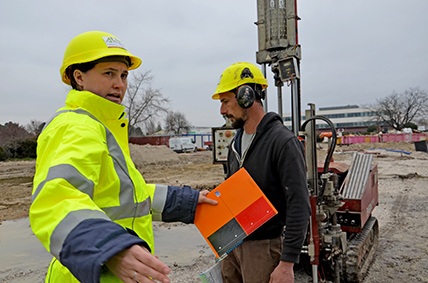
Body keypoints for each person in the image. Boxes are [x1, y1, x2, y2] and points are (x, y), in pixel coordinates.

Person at [29, 30, 217, 283]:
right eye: (109, 73)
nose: (120, 84)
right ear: (79, 77)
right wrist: (110, 248)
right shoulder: (75, 127)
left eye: (124, 75)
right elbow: (56, 199)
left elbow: (128, 195)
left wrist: (188, 200)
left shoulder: (102, 127)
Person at [211, 62, 311, 283]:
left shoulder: (282, 142)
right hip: (235, 245)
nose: (222, 110)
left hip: (264, 248)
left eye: (225, 101)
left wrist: (287, 264)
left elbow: (299, 204)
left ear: (246, 96)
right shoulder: (235, 145)